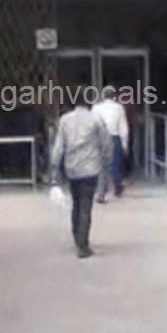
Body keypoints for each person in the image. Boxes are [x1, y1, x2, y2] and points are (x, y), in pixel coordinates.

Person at [50, 88, 112, 258]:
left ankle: (77, 235)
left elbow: (58, 147)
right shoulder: (96, 119)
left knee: (76, 203)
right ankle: (82, 244)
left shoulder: (65, 120)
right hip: (90, 168)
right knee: (86, 205)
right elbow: (106, 143)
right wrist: (107, 162)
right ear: (89, 101)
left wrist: (55, 167)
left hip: (72, 168)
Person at [91, 86, 129, 202]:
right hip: (114, 137)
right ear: (114, 96)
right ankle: (117, 187)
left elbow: (92, 125)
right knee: (116, 164)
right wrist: (124, 143)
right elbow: (123, 126)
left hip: (99, 138)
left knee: (100, 164)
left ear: (103, 96)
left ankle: (101, 189)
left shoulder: (96, 108)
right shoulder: (119, 108)